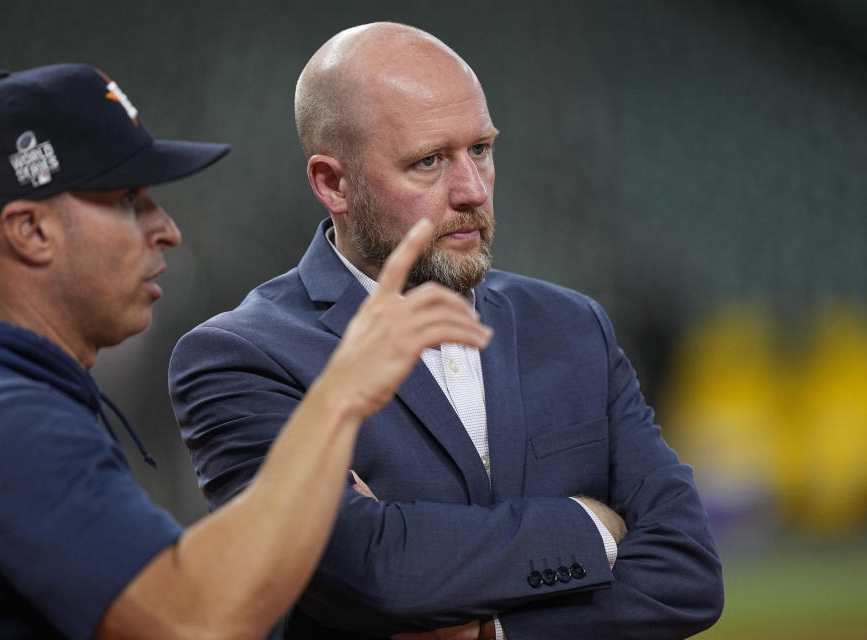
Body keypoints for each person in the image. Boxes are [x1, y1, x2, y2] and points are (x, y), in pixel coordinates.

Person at [169, 22, 724, 640]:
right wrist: (590, 525)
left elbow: (689, 572)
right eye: (428, 161)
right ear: (333, 183)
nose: (471, 190)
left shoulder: (572, 325)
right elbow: (371, 574)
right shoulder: (239, 356)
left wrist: (491, 631)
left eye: (481, 150)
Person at [0, 63, 490, 640]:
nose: (165, 229)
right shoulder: (1, 419)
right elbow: (192, 622)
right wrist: (335, 400)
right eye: (129, 200)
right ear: (31, 231)